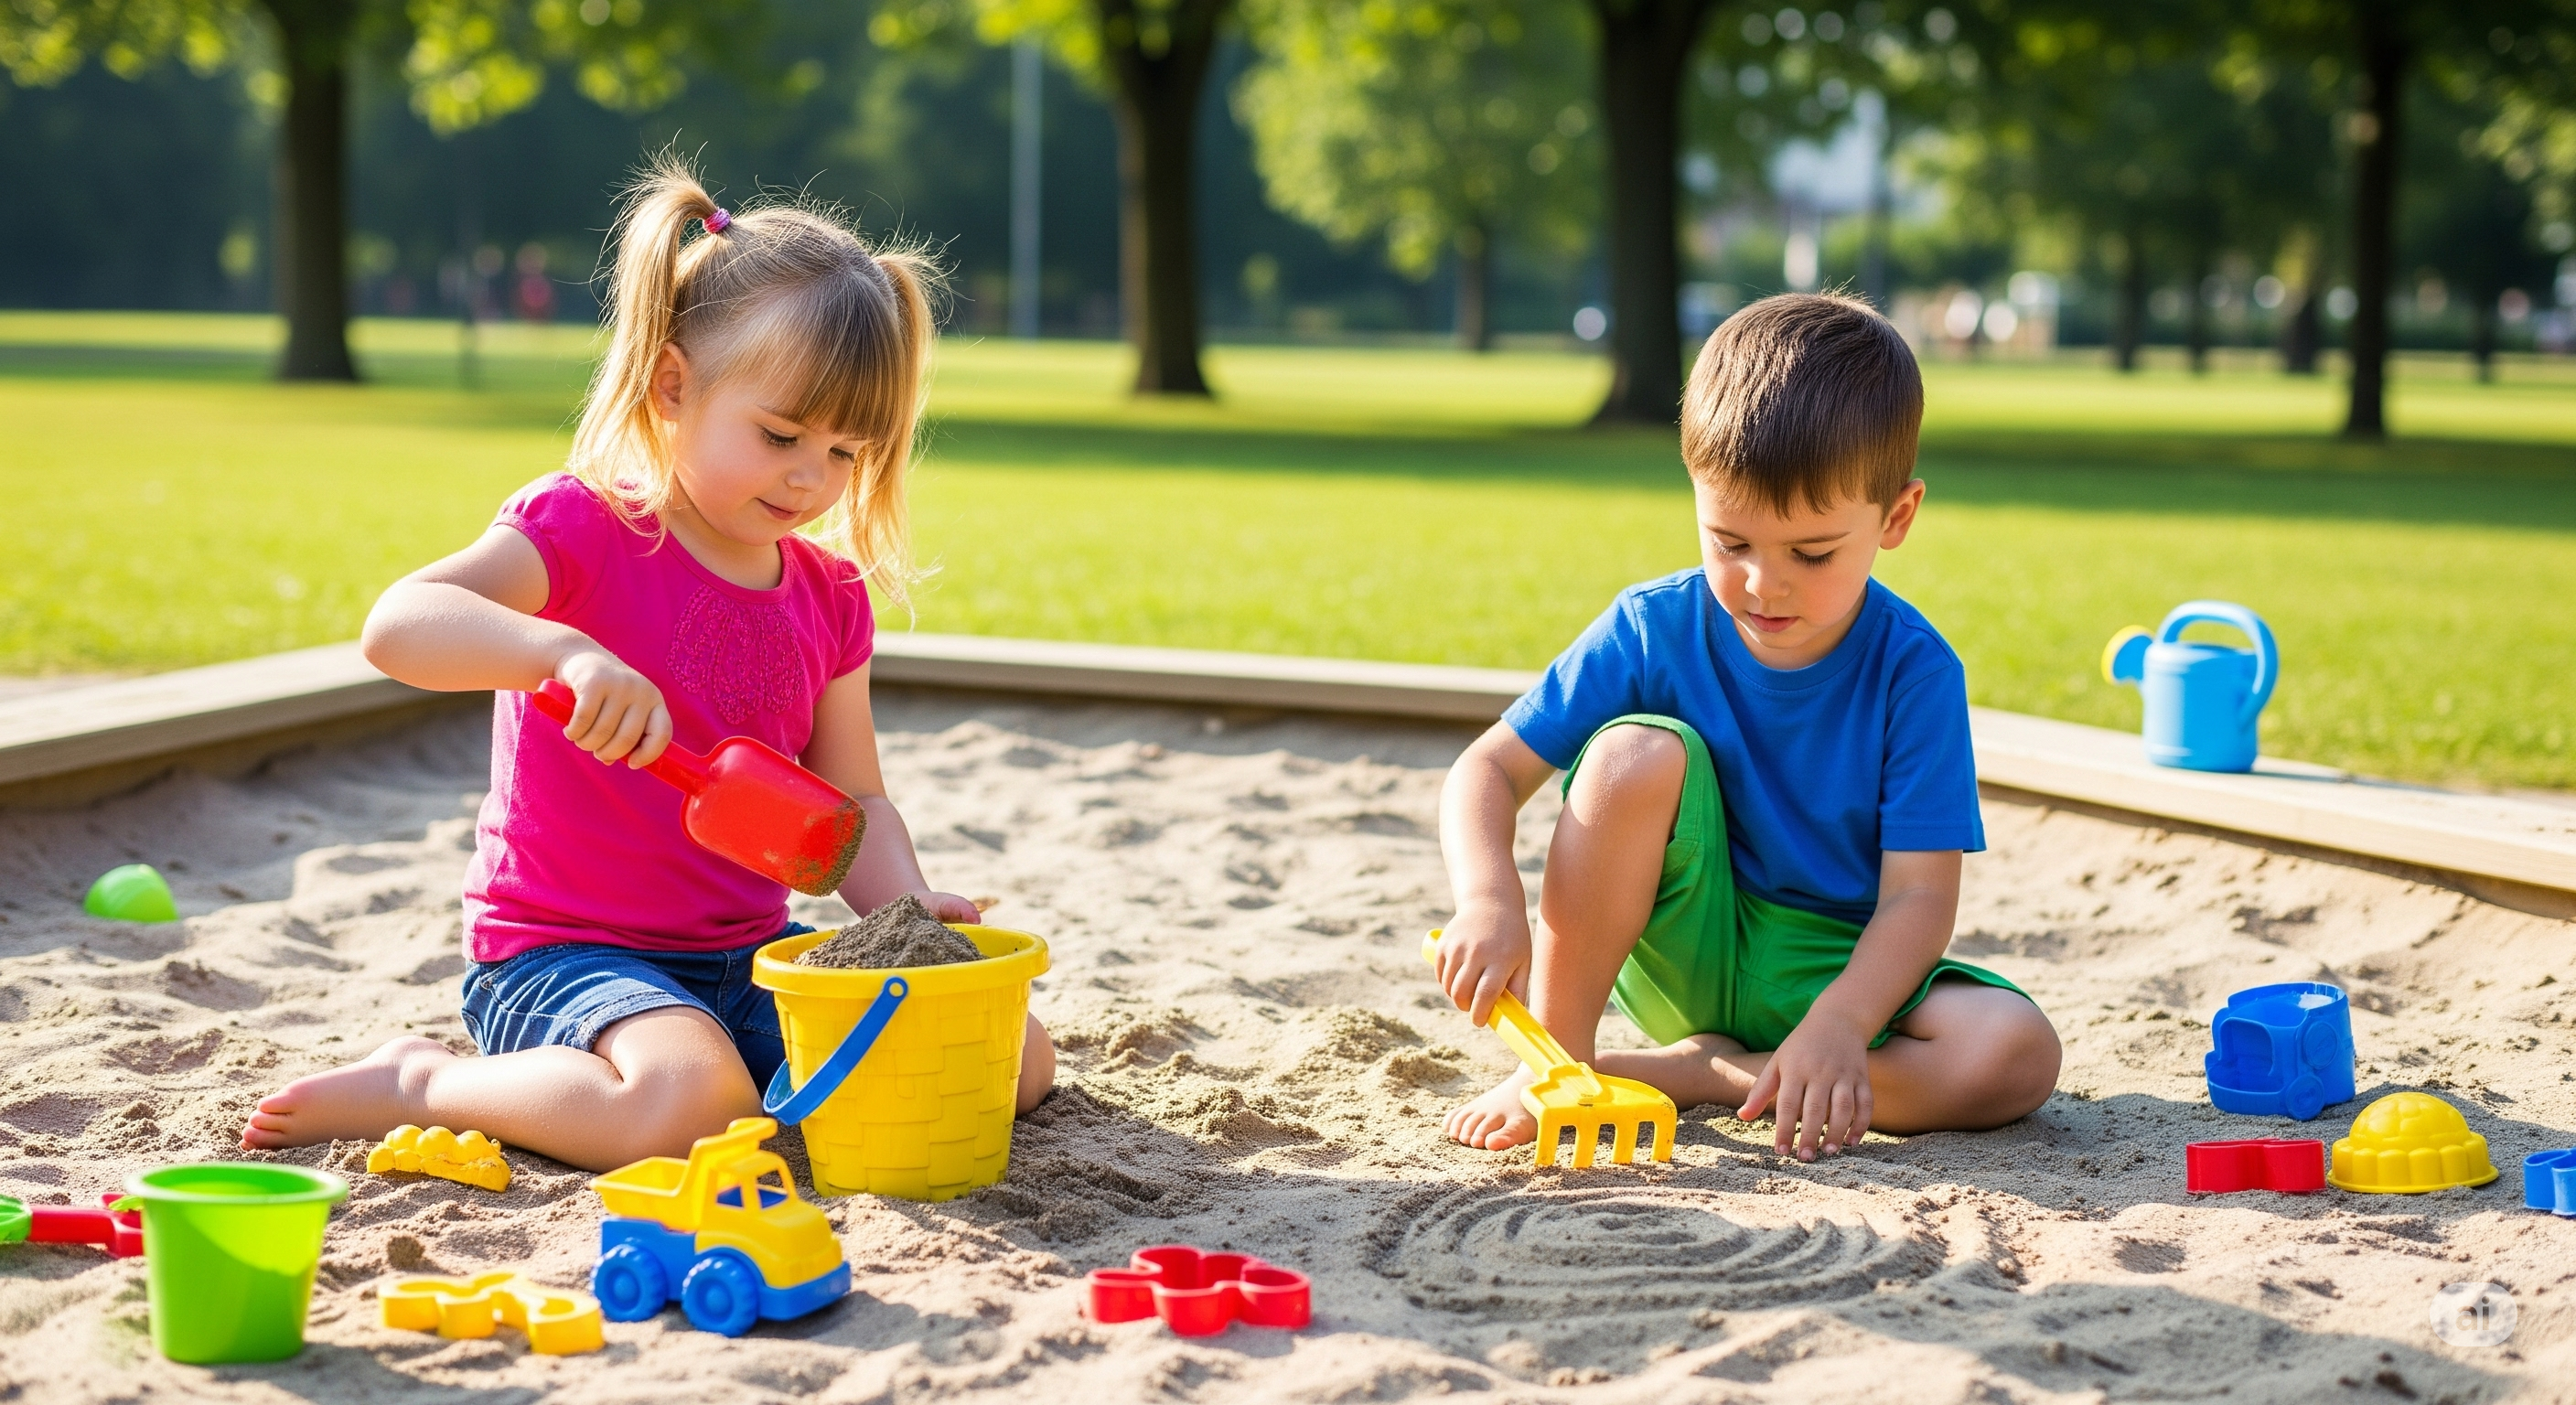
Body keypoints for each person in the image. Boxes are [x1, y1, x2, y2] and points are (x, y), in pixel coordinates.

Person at [243, 158, 1054, 1170]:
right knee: (690, 1103)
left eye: (848, 452)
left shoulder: (830, 598)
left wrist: (902, 909)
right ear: (674, 384)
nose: (812, 476)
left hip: (749, 961)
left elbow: (854, 807)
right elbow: (400, 622)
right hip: (563, 956)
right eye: (781, 434)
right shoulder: (583, 531)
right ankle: (424, 1080)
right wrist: (559, 650)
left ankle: (703, 1057)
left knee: (1009, 1063)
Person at [1432, 292, 2058, 1163]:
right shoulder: (1650, 627)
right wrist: (1488, 898)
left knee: (2016, 1055)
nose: (1765, 586)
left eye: (1811, 553)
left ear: (1896, 518)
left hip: (1834, 965)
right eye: (1730, 543)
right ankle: (1563, 1065)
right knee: (1628, 754)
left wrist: (1842, 1022)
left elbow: (1919, 897)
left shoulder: (1915, 670)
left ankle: (1705, 1077)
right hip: (1692, 939)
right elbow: (1487, 772)